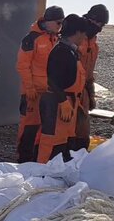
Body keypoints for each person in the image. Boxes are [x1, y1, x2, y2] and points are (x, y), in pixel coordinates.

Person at [37, 14, 90, 163]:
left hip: (68, 103)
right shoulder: (61, 51)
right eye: (84, 33)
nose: (84, 37)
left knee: (64, 143)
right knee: (51, 143)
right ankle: (42, 172)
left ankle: (57, 172)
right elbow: (52, 79)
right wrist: (63, 101)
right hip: (56, 103)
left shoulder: (70, 51)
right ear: (77, 32)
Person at [15, 5, 64, 163]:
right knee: (29, 126)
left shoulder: (56, 39)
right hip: (33, 92)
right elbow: (22, 65)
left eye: (62, 23)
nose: (60, 26)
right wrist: (29, 87)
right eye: (58, 23)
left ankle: (37, 158)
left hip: (48, 92)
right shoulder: (32, 38)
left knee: (44, 128)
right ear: (48, 21)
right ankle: (23, 158)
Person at [72, 4, 109, 151]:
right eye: (99, 23)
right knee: (64, 132)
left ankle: (77, 158)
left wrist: (91, 95)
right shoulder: (73, 37)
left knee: (82, 133)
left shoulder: (94, 46)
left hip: (83, 92)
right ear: (91, 19)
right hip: (68, 91)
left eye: (102, 25)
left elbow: (89, 74)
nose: (100, 27)